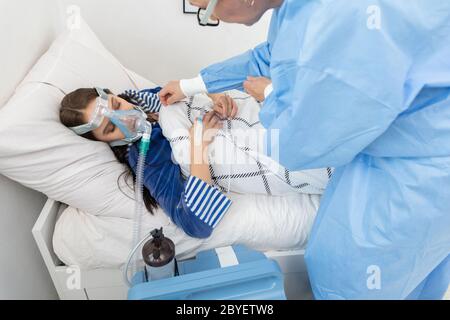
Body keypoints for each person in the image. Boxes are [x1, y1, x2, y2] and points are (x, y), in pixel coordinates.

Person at [160, 0, 450, 299]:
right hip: (409, 148)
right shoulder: (298, 10)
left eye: (206, 9)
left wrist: (270, 95)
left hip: (418, 173)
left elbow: (311, 139)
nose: (212, 18)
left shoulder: (347, 18)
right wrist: (191, 85)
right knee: (414, 277)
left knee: (355, 280)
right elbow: (272, 57)